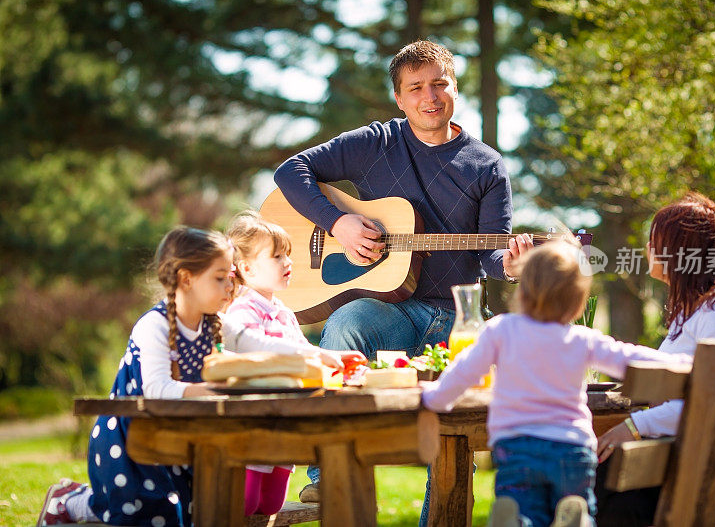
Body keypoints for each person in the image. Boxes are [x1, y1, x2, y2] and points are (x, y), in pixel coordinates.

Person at [272, 39, 533, 508]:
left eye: (439, 84)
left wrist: (512, 265)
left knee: (454, 444)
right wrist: (339, 222)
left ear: (455, 88)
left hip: (458, 318)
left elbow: (493, 251)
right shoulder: (376, 143)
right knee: (347, 322)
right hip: (390, 310)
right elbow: (292, 171)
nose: (429, 97)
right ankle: (328, 471)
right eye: (415, 88)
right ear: (399, 98)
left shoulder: (487, 165)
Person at [36, 227, 343, 526]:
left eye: (230, 277)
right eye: (220, 278)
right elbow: (156, 388)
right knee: (134, 512)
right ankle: (67, 500)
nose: (229, 286)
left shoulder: (215, 322)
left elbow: (262, 344)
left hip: (183, 432)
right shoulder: (153, 325)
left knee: (181, 512)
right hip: (133, 434)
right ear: (186, 279)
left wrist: (320, 355)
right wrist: (210, 393)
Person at [422, 240, 691, 527]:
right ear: (577, 303)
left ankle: (516, 520)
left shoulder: (501, 330)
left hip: (517, 448)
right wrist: (683, 364)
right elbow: (628, 357)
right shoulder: (580, 339)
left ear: (523, 289)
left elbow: (464, 372)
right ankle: (574, 519)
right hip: (571, 450)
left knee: (527, 510)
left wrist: (433, 398)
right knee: (576, 507)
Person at [594, 192, 715, 526]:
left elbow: (711, 404)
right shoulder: (693, 313)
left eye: (654, 239)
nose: (646, 247)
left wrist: (634, 427)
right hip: (713, 457)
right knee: (611, 486)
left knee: (610, 482)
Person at [225, 210, 366, 516]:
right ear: (246, 267)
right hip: (253, 428)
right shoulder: (242, 311)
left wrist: (340, 362)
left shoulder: (284, 313)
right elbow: (257, 353)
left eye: (287, 254)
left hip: (283, 431)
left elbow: (305, 352)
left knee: (270, 506)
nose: (288, 262)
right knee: (244, 506)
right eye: (277, 257)